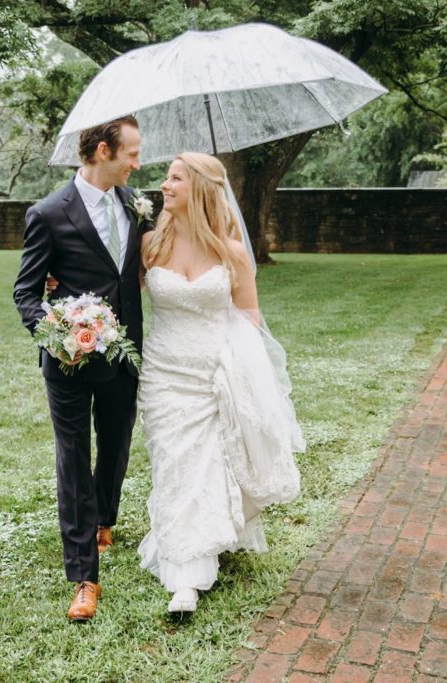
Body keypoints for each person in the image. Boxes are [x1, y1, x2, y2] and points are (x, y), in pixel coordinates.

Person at [137, 152, 305, 613]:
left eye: (174, 179)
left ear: (202, 189)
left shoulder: (231, 252)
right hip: (164, 375)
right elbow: (119, 295)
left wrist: (236, 365)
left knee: (210, 463)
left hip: (214, 373)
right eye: (166, 178)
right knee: (176, 462)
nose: (163, 186)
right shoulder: (150, 245)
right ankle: (185, 575)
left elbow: (250, 316)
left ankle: (194, 561)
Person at [13, 115, 152, 622]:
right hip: (69, 364)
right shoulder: (49, 213)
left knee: (116, 445)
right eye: (131, 153)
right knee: (73, 461)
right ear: (99, 150)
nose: (138, 162)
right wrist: (58, 335)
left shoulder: (137, 205)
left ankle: (105, 518)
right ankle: (83, 577)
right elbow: (26, 293)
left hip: (124, 354)